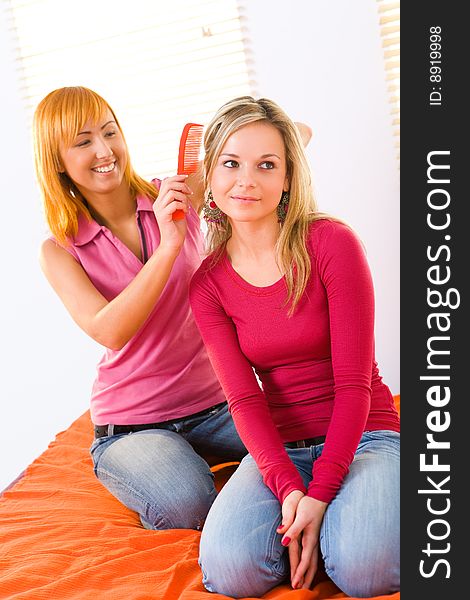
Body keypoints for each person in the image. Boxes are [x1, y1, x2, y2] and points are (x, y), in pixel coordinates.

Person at [33, 86, 312, 532]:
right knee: (186, 508)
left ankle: (221, 469)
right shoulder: (59, 251)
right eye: (83, 141)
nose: (104, 150)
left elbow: (299, 134)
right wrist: (170, 244)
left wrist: (235, 161)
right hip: (133, 426)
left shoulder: (176, 193)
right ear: (57, 161)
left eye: (110, 132)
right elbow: (109, 330)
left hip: (220, 405)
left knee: (306, 449)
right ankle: (171, 468)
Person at [189, 96, 400, 598]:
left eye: (267, 165)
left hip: (365, 434)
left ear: (288, 178)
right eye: (231, 163)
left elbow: (354, 384)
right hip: (282, 449)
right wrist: (289, 489)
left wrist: (322, 492)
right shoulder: (208, 285)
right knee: (228, 571)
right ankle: (321, 530)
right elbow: (243, 399)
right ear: (212, 177)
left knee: (364, 571)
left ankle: (340, 527)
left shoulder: (331, 242)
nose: (248, 180)